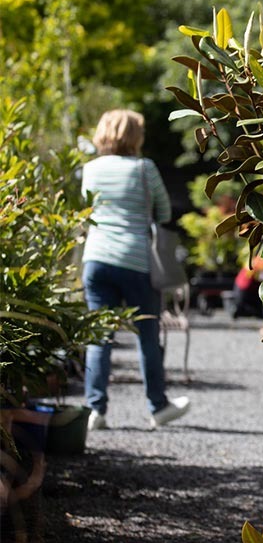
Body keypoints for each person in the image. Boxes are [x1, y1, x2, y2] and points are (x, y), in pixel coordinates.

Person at [81, 109, 190, 430]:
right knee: (147, 335)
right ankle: (158, 406)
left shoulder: (90, 170)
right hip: (136, 262)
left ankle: (95, 411)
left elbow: (86, 210)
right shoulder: (144, 168)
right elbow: (165, 211)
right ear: (135, 137)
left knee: (99, 337)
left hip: (97, 259)